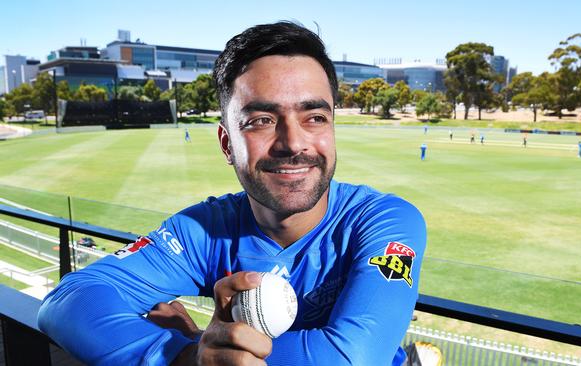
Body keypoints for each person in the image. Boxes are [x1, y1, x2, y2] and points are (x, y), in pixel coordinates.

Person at [38, 22, 426, 366]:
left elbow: (353, 357)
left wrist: (200, 350)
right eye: (261, 120)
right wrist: (181, 356)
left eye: (315, 117)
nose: (294, 142)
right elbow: (68, 300)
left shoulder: (384, 220)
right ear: (227, 144)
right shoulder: (204, 231)